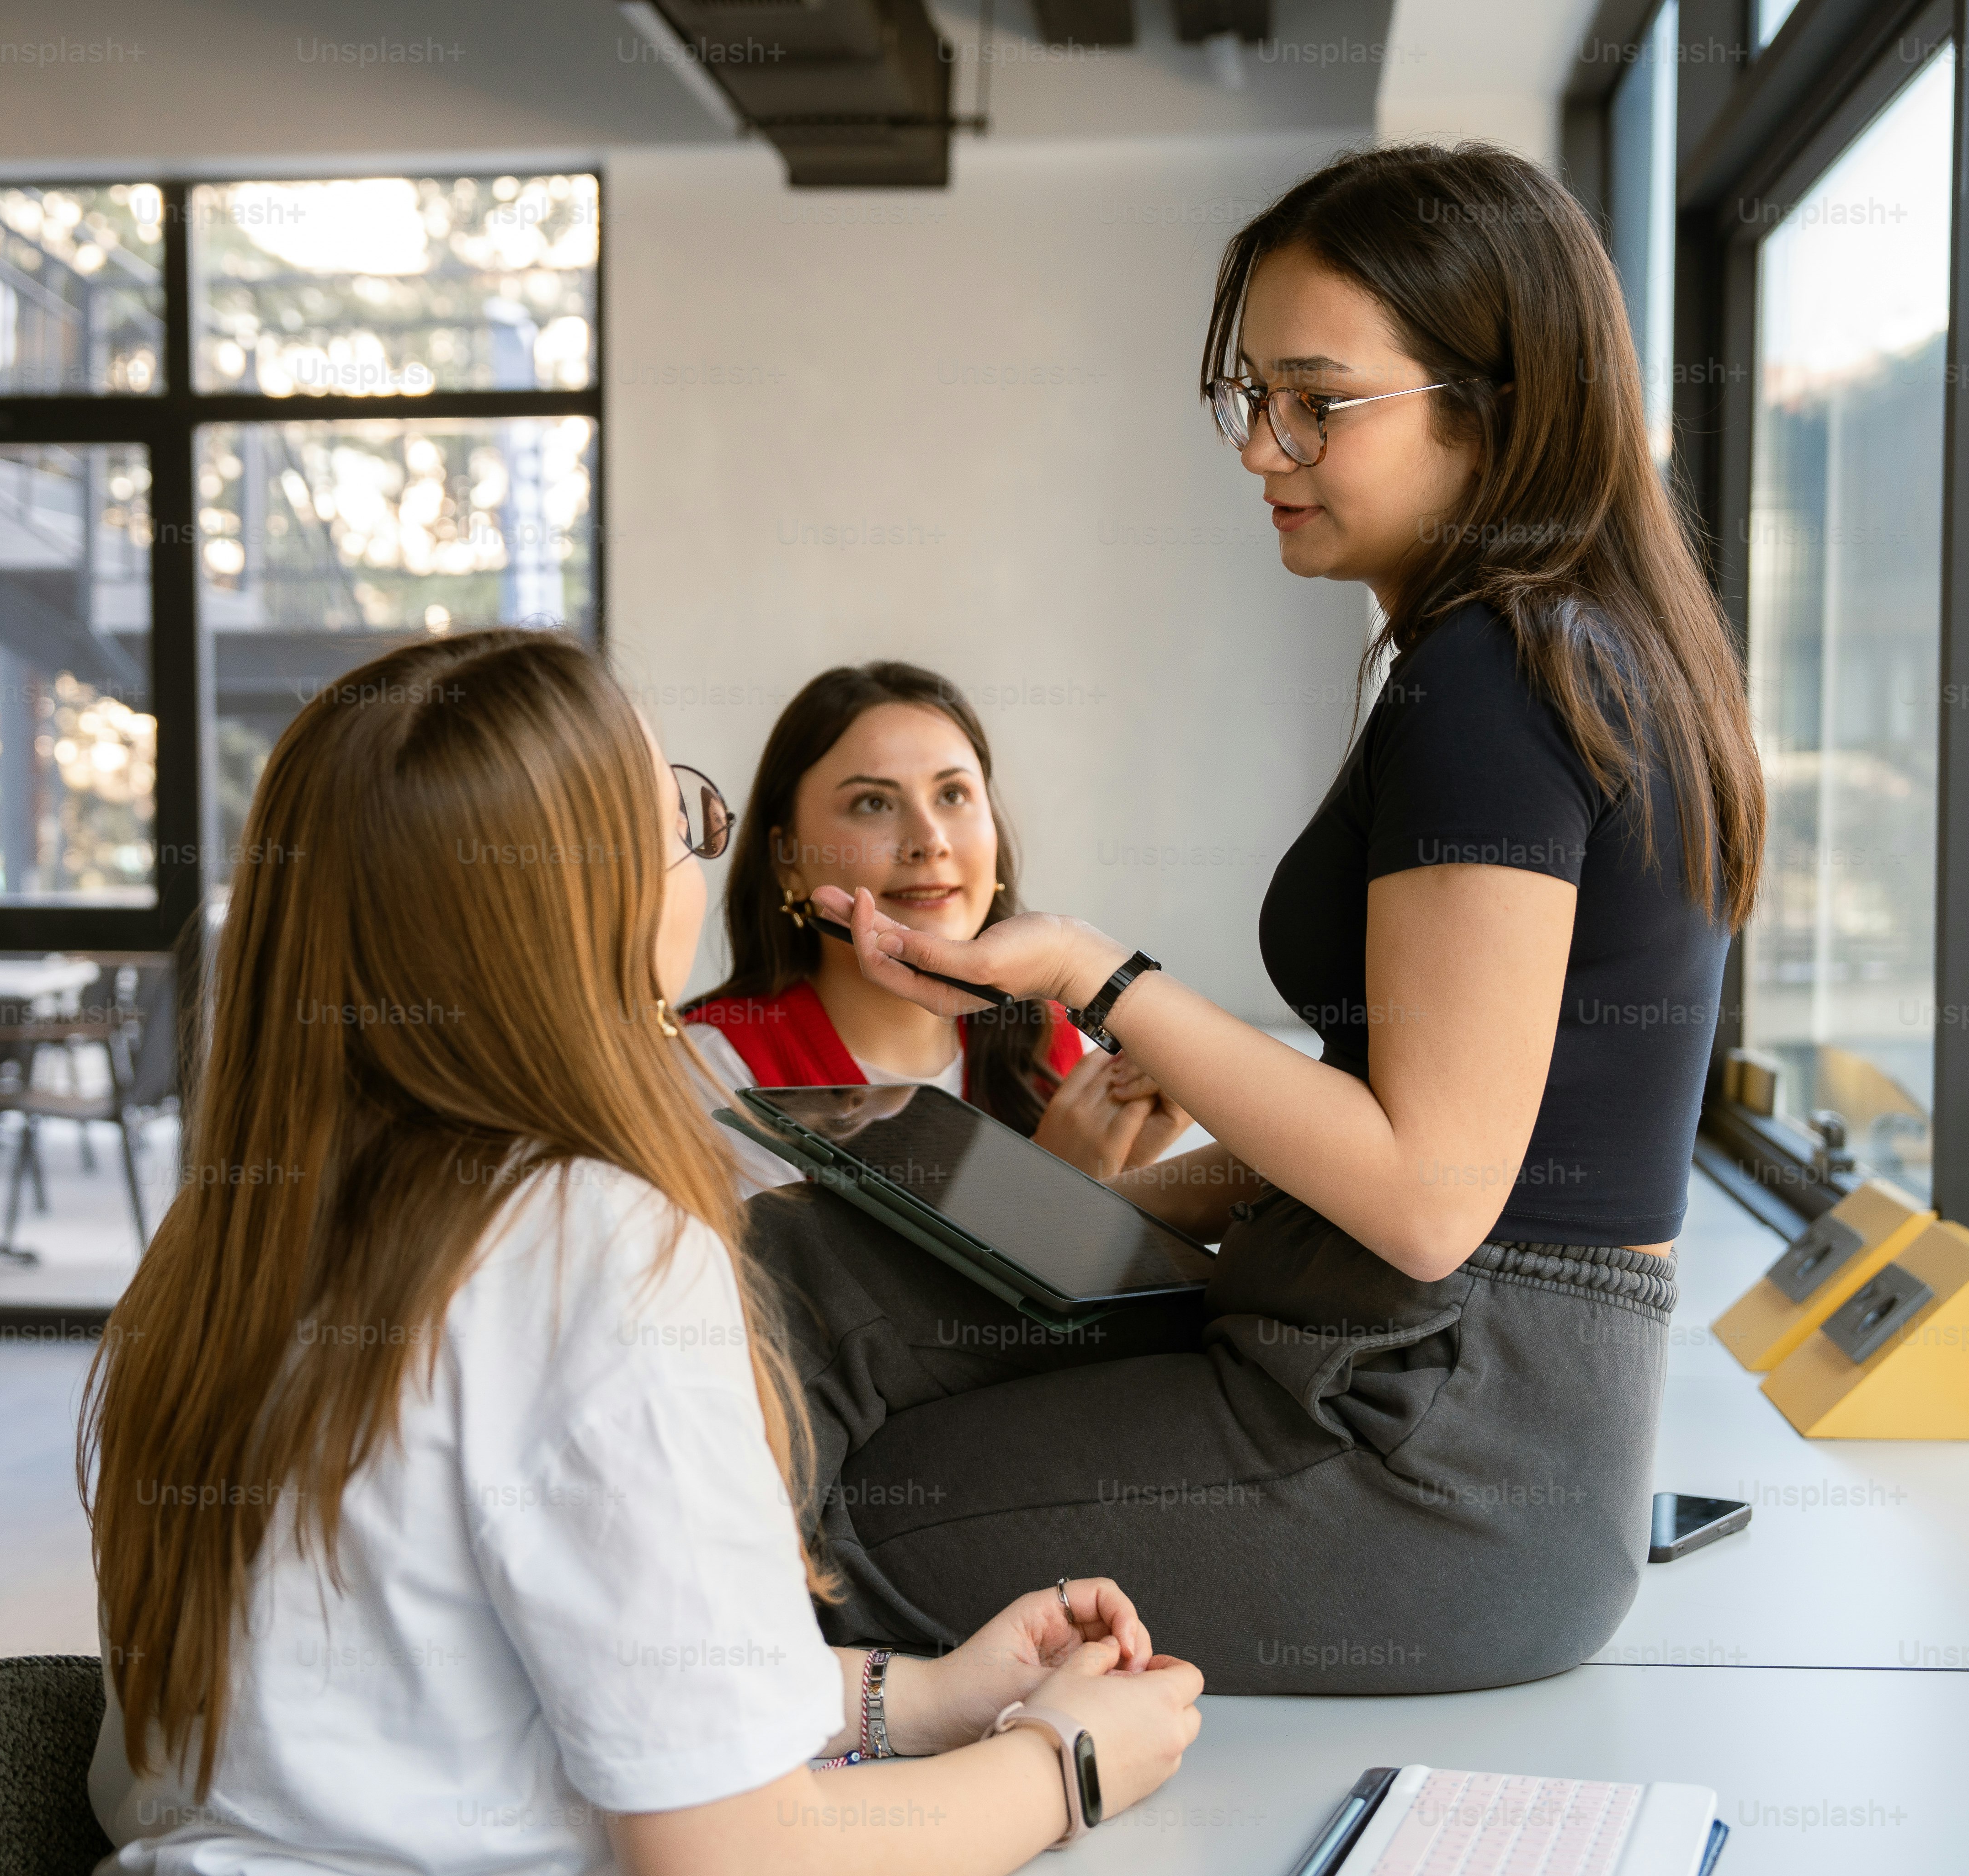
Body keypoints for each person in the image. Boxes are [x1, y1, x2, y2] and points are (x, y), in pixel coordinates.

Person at [63, 630, 1203, 1876]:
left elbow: (483, 1701)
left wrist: (916, 1700)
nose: (695, 845)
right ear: (574, 897)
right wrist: (1066, 1763)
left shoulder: (240, 1237)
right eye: (676, 814)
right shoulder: (583, 1236)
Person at [746, 141, 1766, 1698]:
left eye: (1316, 402)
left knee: (853, 1492)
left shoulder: (1490, 680)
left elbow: (1429, 1196)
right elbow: (1438, 1132)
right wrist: (1104, 1209)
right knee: (823, 1270)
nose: (1261, 446)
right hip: (1429, 1388)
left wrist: (1101, 972)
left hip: (1434, 1450)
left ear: (1488, 400)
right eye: (1249, 399)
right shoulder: (1565, 647)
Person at [679, 661, 1191, 1190]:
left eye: (952, 796)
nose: (930, 839)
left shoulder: (1051, 1036)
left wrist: (1123, 1183)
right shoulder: (715, 1070)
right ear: (786, 855)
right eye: (873, 803)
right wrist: (1051, 1191)